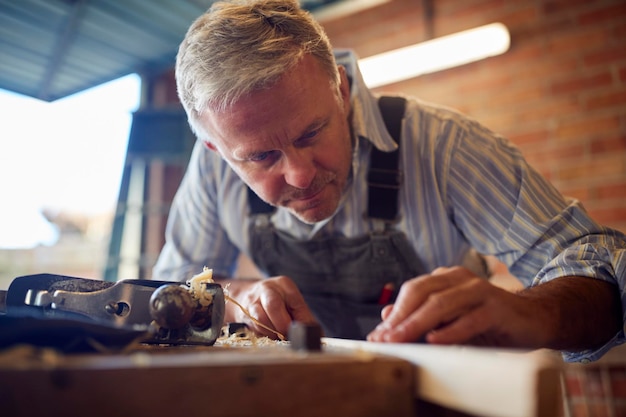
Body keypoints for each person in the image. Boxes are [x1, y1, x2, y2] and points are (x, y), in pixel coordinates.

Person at [153, 0, 626, 362]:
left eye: (312, 132)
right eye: (261, 157)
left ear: (340, 89)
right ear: (218, 150)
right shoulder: (212, 166)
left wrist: (533, 312)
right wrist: (238, 301)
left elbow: (601, 265)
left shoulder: (444, 147)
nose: (299, 173)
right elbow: (169, 289)